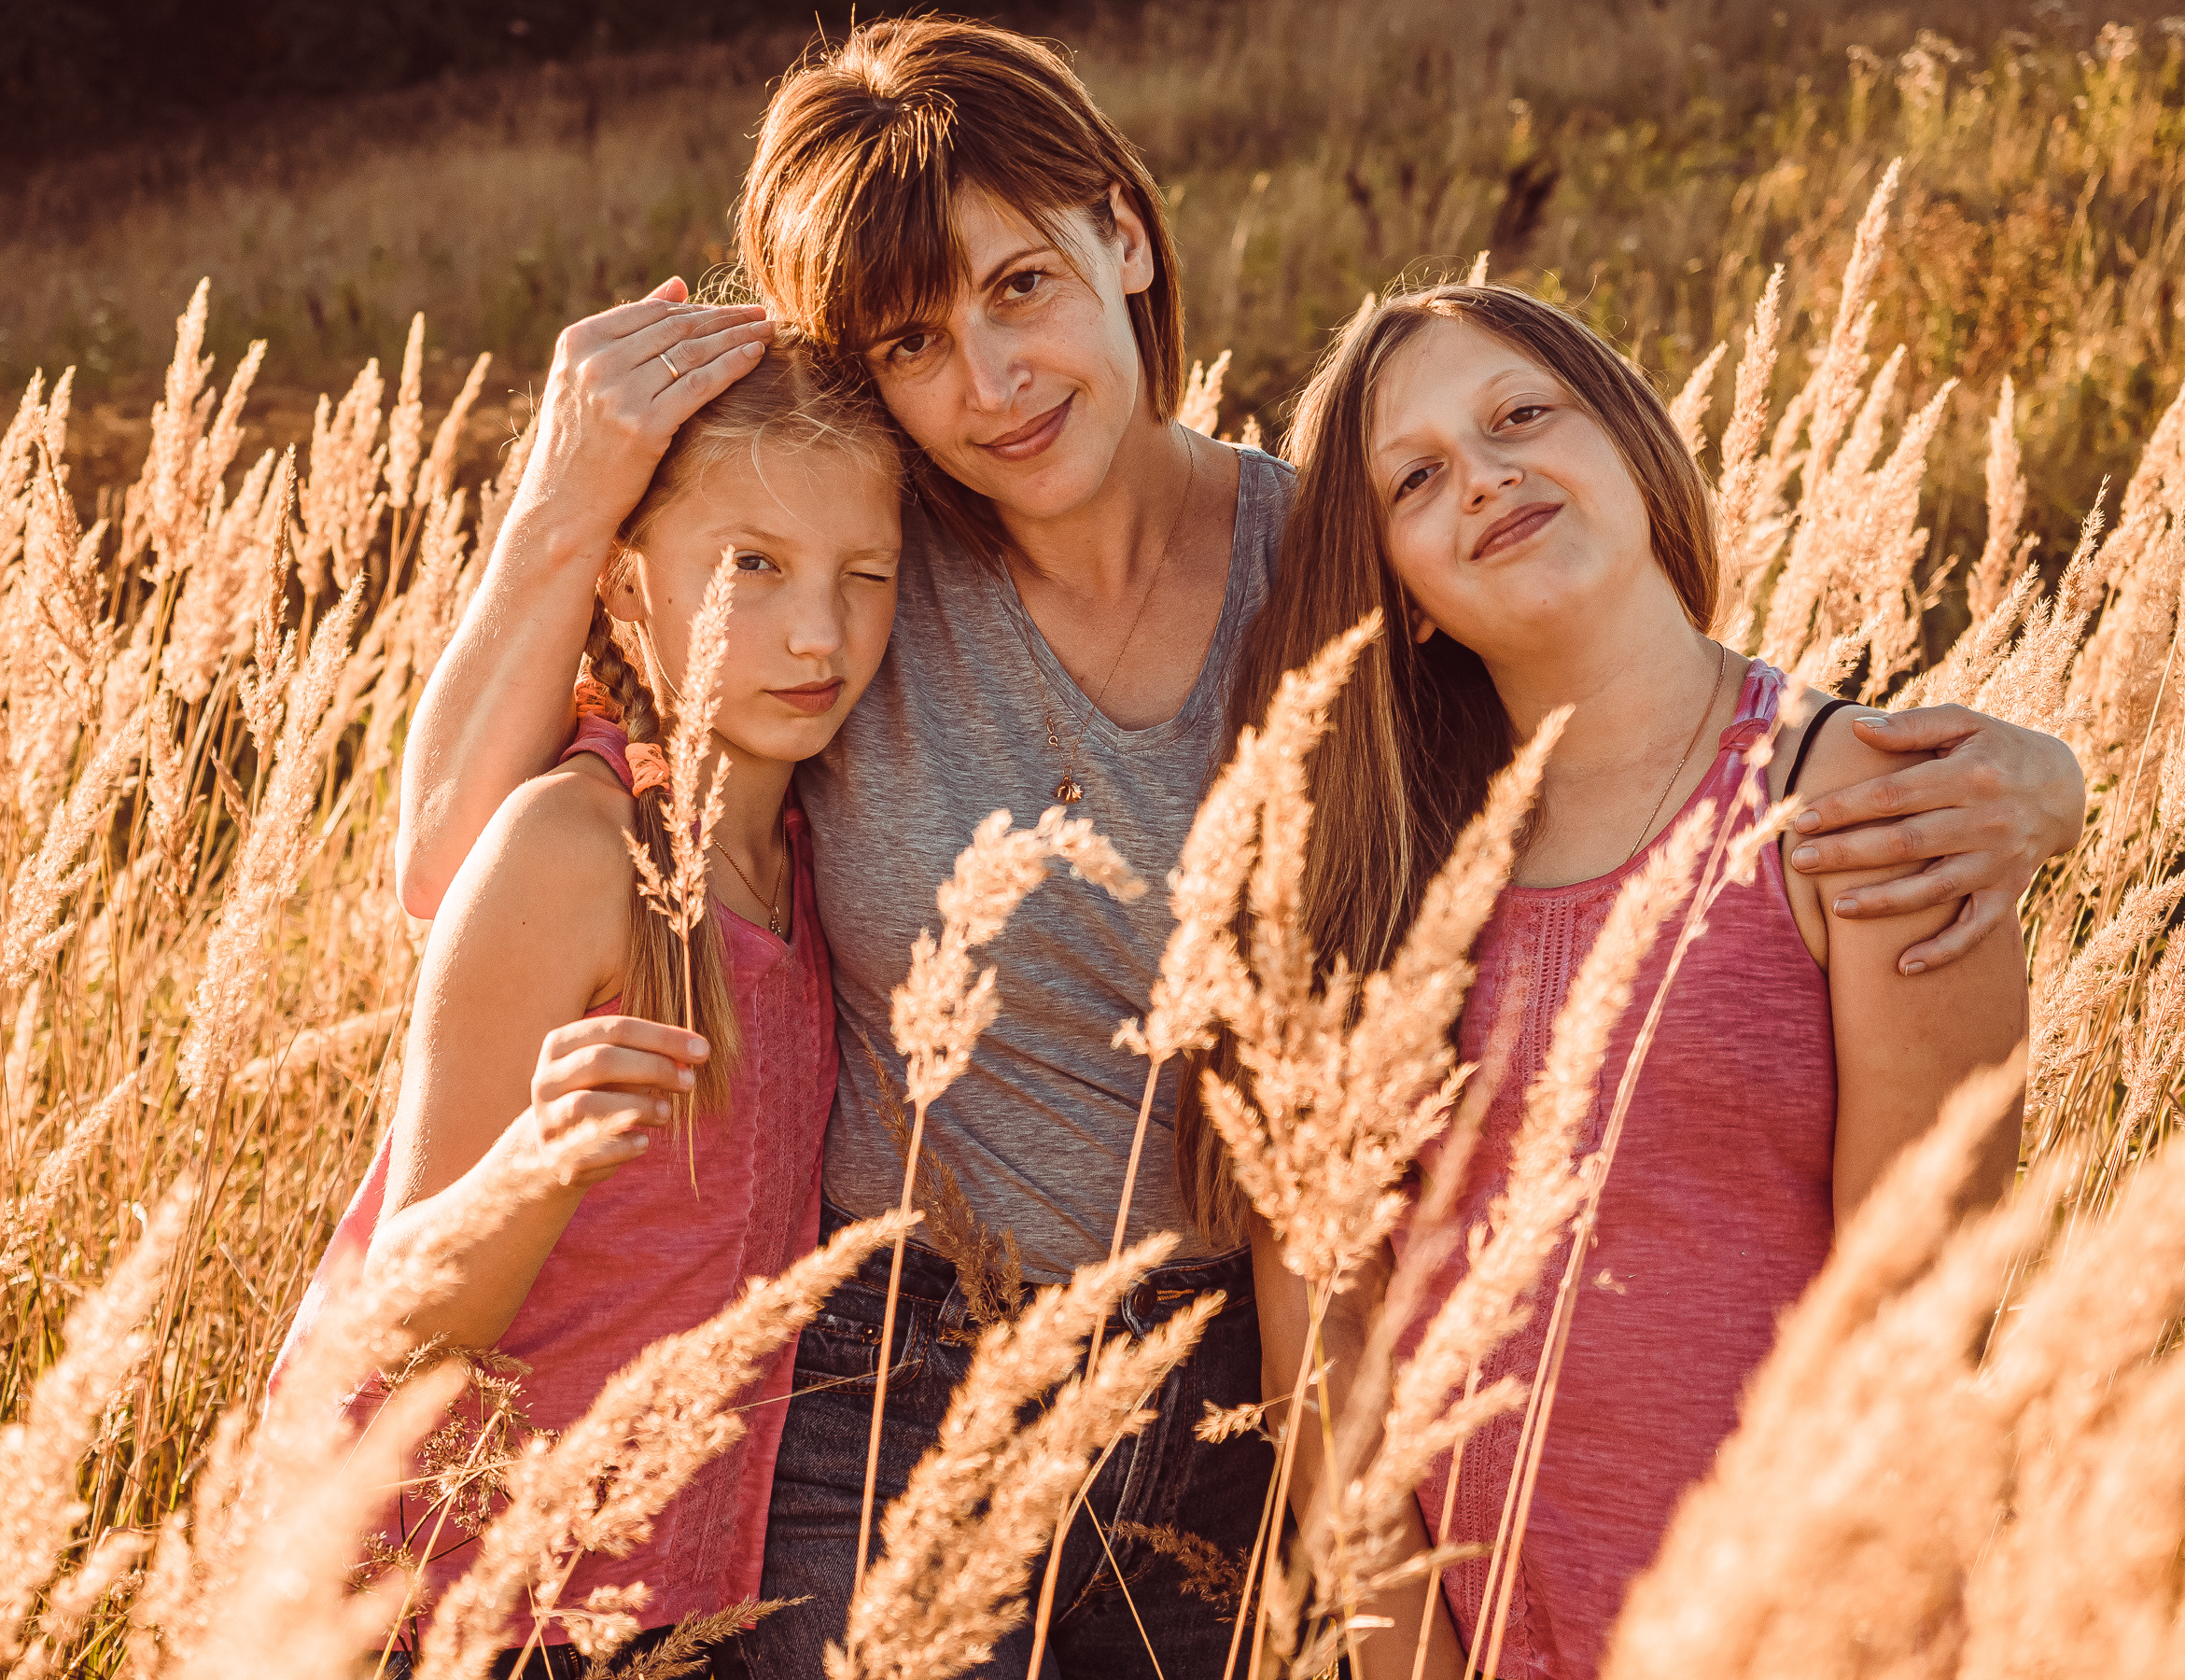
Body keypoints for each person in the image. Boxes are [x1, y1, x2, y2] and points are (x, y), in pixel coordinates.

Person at [395, 20, 2080, 1673]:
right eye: (910, 343)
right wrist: (564, 503)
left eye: (1021, 286)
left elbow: (1631, 702)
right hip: (894, 1388)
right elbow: (452, 883)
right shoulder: (869, 584)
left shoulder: (1345, 565)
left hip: (1252, 1385)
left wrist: (2022, 777)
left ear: (1122, 232)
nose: (987, 383)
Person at [1231, 282, 2032, 1680]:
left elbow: (1914, 1313)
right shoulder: (1386, 885)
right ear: (1403, 600)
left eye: (1521, 416)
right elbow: (1329, 1349)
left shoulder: (1864, 810)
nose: (1484, 476)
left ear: (1634, 448)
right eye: (1416, 478)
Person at [283, 336, 903, 1673]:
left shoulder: (809, 862)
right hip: (452, 1595)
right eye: (753, 566)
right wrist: (534, 1165)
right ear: (628, 596)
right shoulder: (571, 850)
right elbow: (397, 1314)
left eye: (867, 577)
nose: (819, 631)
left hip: (658, 1606)